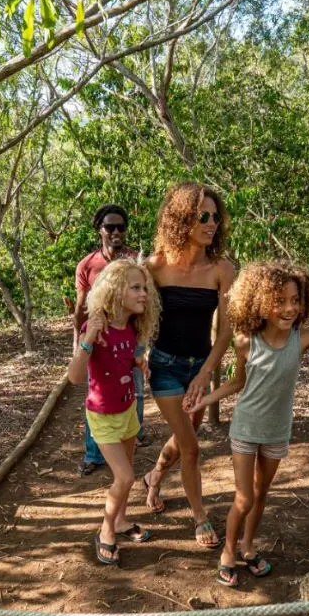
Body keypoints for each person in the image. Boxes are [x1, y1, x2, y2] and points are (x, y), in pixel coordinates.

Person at [191, 261, 309, 586]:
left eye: (295, 300)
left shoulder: (303, 338)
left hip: (277, 431)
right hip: (246, 430)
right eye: (279, 301)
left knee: (261, 493)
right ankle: (228, 551)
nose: (289, 308)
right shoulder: (245, 342)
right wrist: (206, 399)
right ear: (259, 302)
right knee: (244, 498)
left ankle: (248, 549)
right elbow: (238, 383)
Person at [141, 182, 236, 550]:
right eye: (203, 216)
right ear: (182, 219)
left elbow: (225, 332)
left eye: (215, 217)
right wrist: (139, 355)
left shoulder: (221, 270)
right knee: (193, 447)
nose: (212, 223)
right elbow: (139, 314)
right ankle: (200, 517)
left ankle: (155, 475)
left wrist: (206, 373)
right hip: (165, 367)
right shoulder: (155, 266)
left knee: (184, 439)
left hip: (201, 367)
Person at [67, 259, 161, 565]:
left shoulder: (132, 327)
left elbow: (128, 358)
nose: (143, 294)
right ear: (115, 290)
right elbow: (75, 378)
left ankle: (120, 521)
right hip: (102, 415)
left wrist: (139, 363)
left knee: (126, 472)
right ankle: (105, 531)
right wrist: (87, 340)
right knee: (125, 476)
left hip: (128, 409)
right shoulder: (96, 325)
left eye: (144, 287)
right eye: (135, 287)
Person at [75, 204, 148, 475]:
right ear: (100, 230)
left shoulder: (134, 261)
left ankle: (132, 435)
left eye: (121, 227)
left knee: (135, 388)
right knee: (97, 392)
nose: (116, 232)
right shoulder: (88, 265)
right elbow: (82, 305)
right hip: (100, 339)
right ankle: (94, 453)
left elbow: (145, 296)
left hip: (130, 334)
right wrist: (80, 338)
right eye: (110, 227)